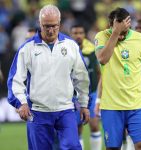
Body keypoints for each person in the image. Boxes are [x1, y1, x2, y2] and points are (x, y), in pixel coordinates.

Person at [7, 4, 90, 150]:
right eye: (46, 26)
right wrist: (22, 103)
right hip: (38, 112)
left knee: (72, 146)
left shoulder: (71, 46)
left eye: (54, 26)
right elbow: (15, 80)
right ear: (40, 24)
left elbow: (82, 78)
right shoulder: (27, 48)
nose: (51, 30)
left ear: (59, 24)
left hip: (65, 109)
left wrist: (83, 104)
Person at [94, 7, 141, 150]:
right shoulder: (101, 36)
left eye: (124, 32)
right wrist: (115, 33)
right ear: (110, 25)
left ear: (129, 24)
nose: (121, 36)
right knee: (113, 148)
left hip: (137, 104)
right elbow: (103, 59)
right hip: (111, 106)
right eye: (118, 30)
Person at [70, 24, 102, 150]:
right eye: (75, 33)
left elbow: (99, 72)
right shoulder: (67, 51)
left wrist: (101, 93)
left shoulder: (92, 51)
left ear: (84, 34)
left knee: (94, 125)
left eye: (80, 33)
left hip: (92, 93)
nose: (78, 35)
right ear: (71, 34)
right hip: (74, 96)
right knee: (77, 129)